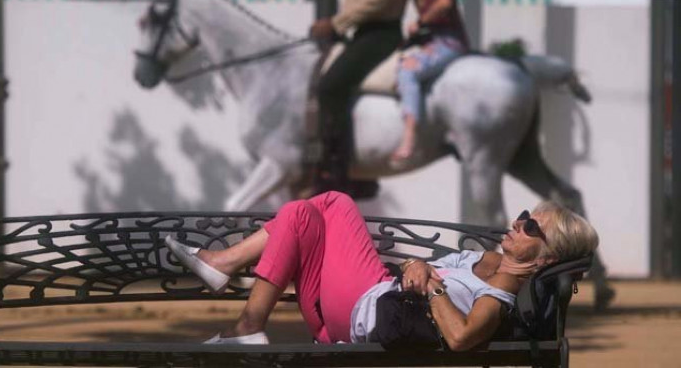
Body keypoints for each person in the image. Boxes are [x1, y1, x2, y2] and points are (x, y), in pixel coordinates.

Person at [165, 192, 598, 348]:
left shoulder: (499, 297)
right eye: (523, 214)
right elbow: (417, 267)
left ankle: (238, 308)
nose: (517, 222)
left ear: (546, 259)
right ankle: (223, 273)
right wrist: (417, 263)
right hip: (372, 291)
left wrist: (432, 288)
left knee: (306, 213)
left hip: (357, 314)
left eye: (530, 226)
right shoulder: (481, 258)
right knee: (321, 206)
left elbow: (463, 337)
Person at [308, 0, 417, 193]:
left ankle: (341, 171)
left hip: (380, 33)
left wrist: (335, 23)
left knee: (331, 86)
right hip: (359, 32)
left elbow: (378, 0)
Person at [391, 0, 469, 163]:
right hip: (435, 39)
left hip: (448, 41)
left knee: (407, 71)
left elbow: (445, 2)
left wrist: (421, 21)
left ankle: (410, 137)